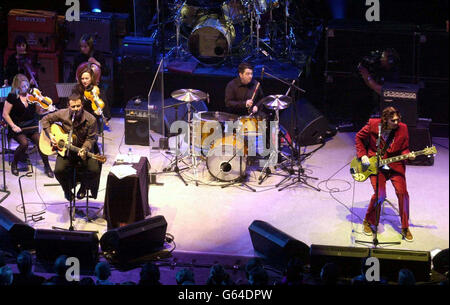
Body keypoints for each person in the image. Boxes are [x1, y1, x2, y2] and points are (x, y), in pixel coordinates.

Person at [355, 106, 416, 242]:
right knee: (380, 195)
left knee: (403, 194)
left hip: (395, 165)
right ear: (385, 120)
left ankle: (405, 227)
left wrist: (408, 155)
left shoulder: (403, 128)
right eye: (393, 120)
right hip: (376, 165)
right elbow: (359, 138)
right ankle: (368, 221)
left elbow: (405, 148)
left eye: (398, 120)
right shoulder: (373, 125)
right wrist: (363, 155)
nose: (396, 123)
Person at [40, 90, 101, 201]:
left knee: (94, 170)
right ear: (68, 106)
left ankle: (83, 187)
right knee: (58, 171)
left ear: (82, 105)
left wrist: (84, 148)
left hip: (82, 149)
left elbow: (92, 138)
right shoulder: (62, 113)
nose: (76, 109)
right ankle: (67, 190)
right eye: (73, 107)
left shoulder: (91, 119)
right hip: (66, 150)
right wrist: (50, 135)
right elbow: (45, 119)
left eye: (78, 106)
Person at [2, 74, 53, 177]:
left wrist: (47, 110)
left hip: (31, 126)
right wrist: (13, 126)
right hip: (18, 127)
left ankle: (47, 166)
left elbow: (38, 112)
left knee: (40, 142)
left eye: (27, 86)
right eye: (23, 86)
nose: (26, 88)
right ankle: (14, 164)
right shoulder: (12, 96)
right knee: (24, 143)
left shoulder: (32, 96)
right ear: (17, 86)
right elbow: (5, 114)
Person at [71, 34, 111, 121]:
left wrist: (97, 63)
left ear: (90, 46)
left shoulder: (98, 55)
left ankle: (103, 117)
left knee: (102, 95)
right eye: (81, 47)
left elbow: (107, 72)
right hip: (81, 86)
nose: (82, 49)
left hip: (95, 86)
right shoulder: (78, 57)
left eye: (85, 47)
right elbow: (73, 72)